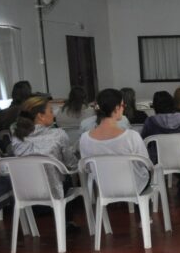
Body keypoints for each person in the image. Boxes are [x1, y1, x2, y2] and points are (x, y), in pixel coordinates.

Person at [10, 96, 80, 229]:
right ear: (40, 116)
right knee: (68, 177)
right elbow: (71, 164)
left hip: (25, 192)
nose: (53, 114)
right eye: (50, 111)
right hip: (55, 192)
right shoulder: (58, 134)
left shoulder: (16, 137)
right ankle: (67, 222)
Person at [79, 88, 150, 194]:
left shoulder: (84, 138)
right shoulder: (131, 136)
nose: (124, 108)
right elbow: (145, 163)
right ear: (117, 108)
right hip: (134, 187)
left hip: (103, 188)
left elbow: (88, 168)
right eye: (122, 105)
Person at [142, 90, 180, 196]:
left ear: (155, 106)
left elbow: (144, 142)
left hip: (158, 162)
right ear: (172, 103)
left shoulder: (150, 121)